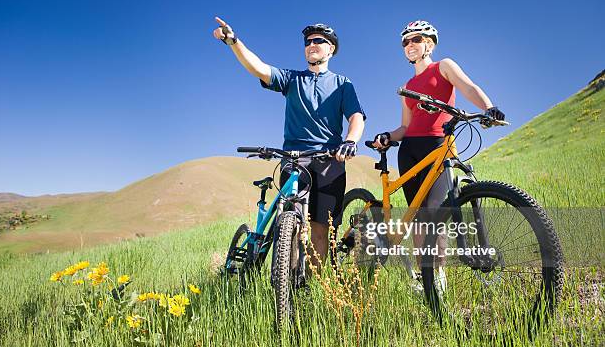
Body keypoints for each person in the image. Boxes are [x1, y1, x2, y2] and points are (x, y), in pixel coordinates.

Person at [212, 17, 366, 270]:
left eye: (319, 41)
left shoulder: (343, 84)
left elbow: (356, 117)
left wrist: (350, 141)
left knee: (322, 227)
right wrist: (233, 42)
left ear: (331, 49)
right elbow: (259, 68)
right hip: (295, 157)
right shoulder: (292, 79)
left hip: (330, 160)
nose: (312, 44)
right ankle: (286, 281)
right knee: (291, 221)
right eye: (308, 42)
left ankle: (309, 287)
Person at [372, 20, 505, 290]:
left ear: (429, 44)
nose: (410, 45)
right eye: (405, 42)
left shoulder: (443, 66)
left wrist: (489, 107)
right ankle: (423, 278)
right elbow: (406, 126)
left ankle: (438, 280)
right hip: (409, 151)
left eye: (416, 39)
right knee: (419, 216)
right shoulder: (407, 85)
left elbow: (468, 87)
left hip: (438, 145)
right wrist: (388, 136)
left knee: (436, 213)